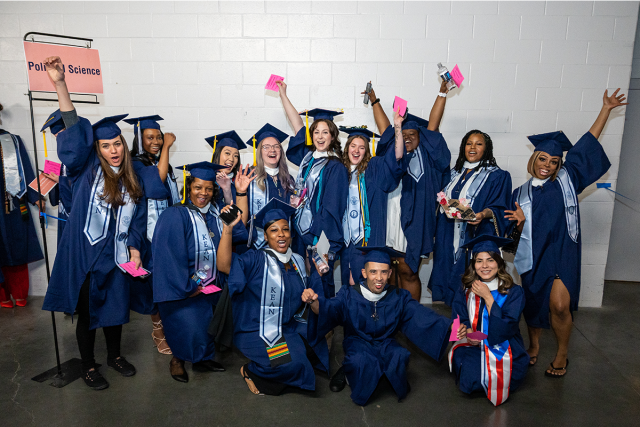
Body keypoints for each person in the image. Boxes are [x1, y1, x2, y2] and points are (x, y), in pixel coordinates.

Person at [504, 89, 627, 378]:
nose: (547, 165)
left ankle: (562, 353)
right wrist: (519, 223)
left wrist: (606, 110)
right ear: (534, 159)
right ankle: (533, 346)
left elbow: (587, 144)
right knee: (534, 305)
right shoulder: (519, 195)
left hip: (563, 252)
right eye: (543, 159)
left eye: (553, 162)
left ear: (560, 164)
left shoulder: (568, 181)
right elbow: (511, 241)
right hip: (535, 256)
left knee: (559, 306)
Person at [42, 55, 145, 390]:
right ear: (96, 149)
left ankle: (114, 356)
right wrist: (61, 85)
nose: (113, 150)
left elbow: (138, 220)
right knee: (87, 315)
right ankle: (88, 365)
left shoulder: (132, 178)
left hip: (115, 257)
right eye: (106, 145)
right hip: (87, 258)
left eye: (117, 144)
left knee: (115, 310)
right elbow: (73, 133)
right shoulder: (85, 170)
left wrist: (134, 247)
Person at [304, 246, 451, 406]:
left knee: (400, 356)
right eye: (373, 272)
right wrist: (314, 302)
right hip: (358, 341)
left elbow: (421, 315)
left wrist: (452, 327)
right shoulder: (349, 294)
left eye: (383, 272)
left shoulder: (398, 296)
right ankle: (348, 370)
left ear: (390, 274)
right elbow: (328, 309)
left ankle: (383, 374)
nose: (378, 278)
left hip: (386, 342)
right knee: (361, 361)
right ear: (364, 273)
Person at [217, 198, 329, 396]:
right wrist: (227, 228)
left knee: (319, 339)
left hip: (289, 325)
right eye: (274, 230)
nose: (281, 235)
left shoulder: (297, 261)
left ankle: (288, 358)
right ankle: (252, 371)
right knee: (293, 364)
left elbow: (308, 292)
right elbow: (225, 266)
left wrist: (316, 275)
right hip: (259, 329)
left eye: (285, 229)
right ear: (266, 236)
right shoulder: (256, 259)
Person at [152, 162, 249, 383]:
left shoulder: (217, 211)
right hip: (185, 285)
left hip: (213, 282)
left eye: (208, 188)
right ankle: (177, 359)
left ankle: (203, 359)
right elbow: (168, 256)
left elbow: (240, 233)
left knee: (209, 325)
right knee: (186, 324)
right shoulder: (175, 215)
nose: (203, 193)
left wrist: (229, 200)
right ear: (189, 187)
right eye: (198, 187)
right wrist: (189, 286)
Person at [367, 82, 452, 301]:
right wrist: (374, 100)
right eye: (403, 134)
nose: (407, 137)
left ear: (421, 137)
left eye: (412, 134)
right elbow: (385, 127)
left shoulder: (428, 156)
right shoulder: (393, 153)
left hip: (417, 219)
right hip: (391, 214)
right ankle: (394, 314)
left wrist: (441, 92)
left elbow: (433, 125)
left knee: (408, 271)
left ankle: (411, 316)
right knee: (390, 269)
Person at [277, 80, 348, 298]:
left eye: (325, 132)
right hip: (301, 228)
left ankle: (324, 327)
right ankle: (310, 321)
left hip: (321, 234)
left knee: (320, 277)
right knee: (304, 275)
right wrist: (283, 94)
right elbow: (297, 124)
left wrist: (320, 242)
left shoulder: (335, 166)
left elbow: (332, 209)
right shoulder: (308, 158)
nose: (319, 136)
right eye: (316, 131)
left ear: (333, 136)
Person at [428, 129, 512, 306]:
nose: (473, 147)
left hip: (474, 234)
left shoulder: (497, 176)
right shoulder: (452, 174)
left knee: (469, 274)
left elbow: (501, 207)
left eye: (478, 144)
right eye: (469, 143)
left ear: (486, 149)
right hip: (447, 234)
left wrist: (483, 214)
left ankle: (473, 321)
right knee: (447, 271)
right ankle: (457, 323)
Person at [448, 235, 528, 406]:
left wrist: (488, 297)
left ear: (499, 263)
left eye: (490, 260)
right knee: (469, 378)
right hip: (474, 346)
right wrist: (467, 332)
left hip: (505, 346)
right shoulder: (466, 288)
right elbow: (457, 317)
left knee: (506, 375)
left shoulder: (514, 292)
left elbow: (508, 326)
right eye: (479, 261)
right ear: (473, 264)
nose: (484, 266)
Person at [124, 115, 180, 355]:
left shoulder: (158, 161)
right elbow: (157, 184)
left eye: (159, 137)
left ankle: (170, 326)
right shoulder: (137, 163)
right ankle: (157, 329)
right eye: (150, 137)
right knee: (154, 284)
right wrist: (168, 146)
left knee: (168, 281)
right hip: (147, 231)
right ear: (139, 139)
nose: (156, 141)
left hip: (166, 232)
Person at [338, 109, 406, 288]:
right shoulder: (339, 171)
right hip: (346, 239)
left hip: (368, 237)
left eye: (362, 147)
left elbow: (397, 156)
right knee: (348, 282)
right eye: (353, 145)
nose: (357, 150)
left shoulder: (375, 168)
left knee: (367, 283)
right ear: (347, 148)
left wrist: (397, 126)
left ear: (367, 151)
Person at [0, 103, 45, 308]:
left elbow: (26, 169)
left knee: (16, 246)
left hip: (13, 205)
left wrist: (36, 196)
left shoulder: (12, 141)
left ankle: (19, 293)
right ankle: (2, 296)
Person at [241, 123, 295, 249]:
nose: (272, 150)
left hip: (283, 244)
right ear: (259, 151)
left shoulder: (288, 180)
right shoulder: (248, 177)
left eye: (276, 146)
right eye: (266, 147)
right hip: (256, 244)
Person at [41, 110, 72, 246]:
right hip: (64, 210)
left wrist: (60, 180)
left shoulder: (83, 154)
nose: (58, 139)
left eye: (60, 134)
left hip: (75, 212)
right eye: (55, 136)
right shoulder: (66, 155)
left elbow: (86, 184)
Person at [205, 130, 246, 207]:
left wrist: (227, 190)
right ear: (217, 154)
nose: (231, 159)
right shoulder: (205, 178)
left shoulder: (238, 183)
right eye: (227, 153)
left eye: (235, 156)